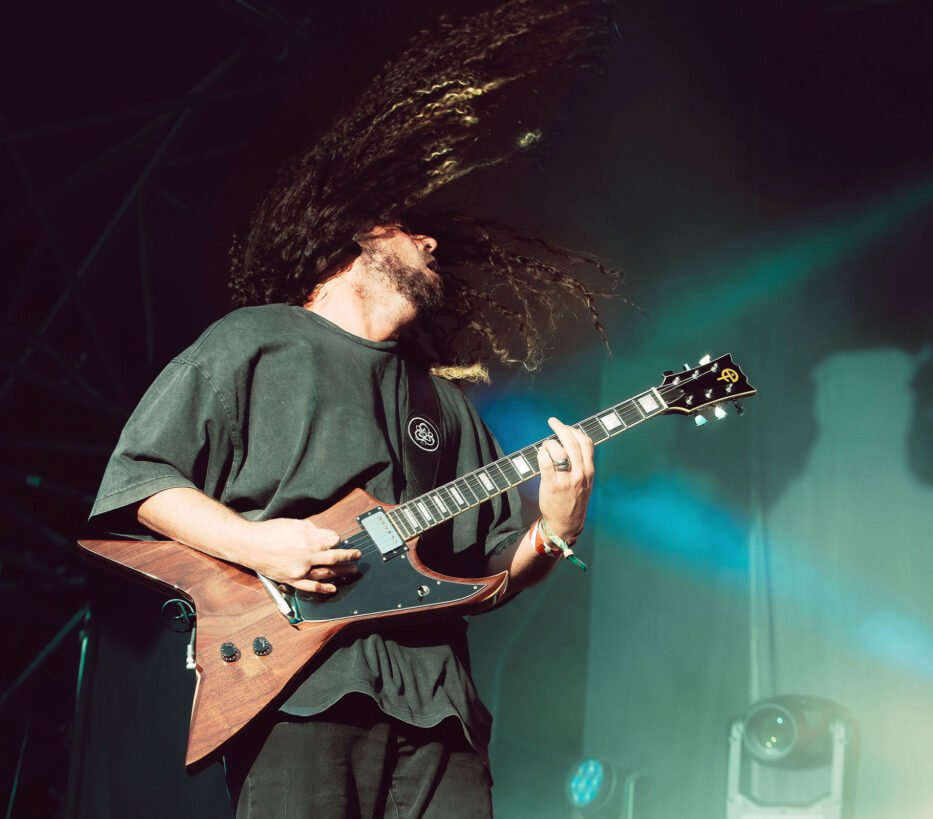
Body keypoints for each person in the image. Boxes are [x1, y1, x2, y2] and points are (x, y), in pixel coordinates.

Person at [91, 1, 621, 815]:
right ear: (358, 236)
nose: (435, 244)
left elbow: (492, 576)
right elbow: (138, 480)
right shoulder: (255, 343)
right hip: (301, 691)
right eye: (415, 229)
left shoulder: (441, 404)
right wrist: (255, 543)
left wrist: (556, 528)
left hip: (440, 715)